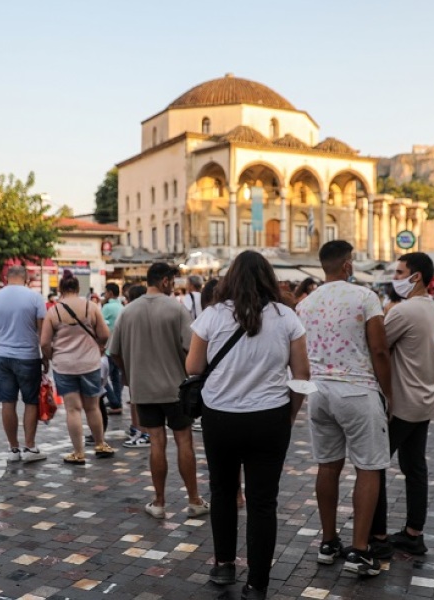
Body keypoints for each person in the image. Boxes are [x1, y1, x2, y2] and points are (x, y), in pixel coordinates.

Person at [186, 251, 309, 600]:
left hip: (220, 417)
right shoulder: (286, 317)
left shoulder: (211, 315)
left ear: (230, 278)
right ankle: (257, 584)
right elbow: (303, 375)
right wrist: (291, 413)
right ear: (269, 278)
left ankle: (224, 564)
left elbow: (193, 367)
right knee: (262, 502)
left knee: (222, 492)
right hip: (270, 417)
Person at [296, 240, 391, 578]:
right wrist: (389, 393)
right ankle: (360, 550)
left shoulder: (305, 304)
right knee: (368, 467)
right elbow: (379, 351)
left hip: (319, 393)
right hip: (357, 391)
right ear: (348, 264)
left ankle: (328, 541)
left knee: (328, 466)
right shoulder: (365, 298)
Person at [109, 263, 208, 518]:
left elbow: (115, 352)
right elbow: (191, 349)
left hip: (144, 389)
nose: (174, 286)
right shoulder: (177, 309)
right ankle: (194, 500)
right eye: (173, 281)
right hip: (176, 388)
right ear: (165, 281)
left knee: (156, 442)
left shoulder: (128, 311)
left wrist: (130, 374)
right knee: (184, 441)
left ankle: (160, 502)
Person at [369, 252, 434, 557]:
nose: (394, 278)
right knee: (414, 467)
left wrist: (384, 312)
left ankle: (378, 536)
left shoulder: (405, 310)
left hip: (402, 403)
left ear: (416, 277)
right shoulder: (431, 308)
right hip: (424, 399)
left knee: (373, 466)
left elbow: (376, 346)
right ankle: (414, 533)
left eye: (399, 273)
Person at [41, 274, 114, 464]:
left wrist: (51, 357)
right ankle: (100, 444)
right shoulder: (91, 307)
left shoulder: (54, 311)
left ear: (60, 290)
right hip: (89, 363)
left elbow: (44, 342)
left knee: (73, 409)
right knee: (93, 406)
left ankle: (78, 452)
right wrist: (98, 346)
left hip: (64, 365)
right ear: (78, 288)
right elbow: (105, 334)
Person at [0, 265, 47, 463]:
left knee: (8, 402)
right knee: (31, 401)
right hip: (28, 356)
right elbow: (43, 333)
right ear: (25, 278)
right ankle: (30, 447)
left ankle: (13, 449)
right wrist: (46, 358)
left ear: (7, 278)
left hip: (3, 355)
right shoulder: (35, 298)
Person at [121, 283, 151, 448]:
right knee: (140, 399)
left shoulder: (128, 314)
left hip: (134, 361)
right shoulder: (152, 313)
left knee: (136, 399)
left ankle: (142, 431)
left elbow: (117, 345)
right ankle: (140, 430)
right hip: (149, 362)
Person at [101, 283, 125, 415]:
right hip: (119, 348)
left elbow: (100, 325)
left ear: (110, 293)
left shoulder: (108, 307)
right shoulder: (122, 306)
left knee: (102, 378)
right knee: (116, 378)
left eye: (105, 292)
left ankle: (114, 401)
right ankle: (117, 402)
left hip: (108, 347)